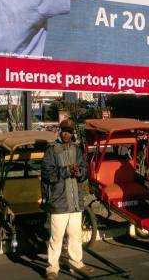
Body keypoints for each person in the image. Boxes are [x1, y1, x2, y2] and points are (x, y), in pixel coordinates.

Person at [41, 119, 93, 279]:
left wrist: (80, 173)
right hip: (59, 201)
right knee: (56, 237)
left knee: (75, 236)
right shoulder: (51, 150)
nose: (66, 134)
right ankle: (52, 268)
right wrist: (66, 171)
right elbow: (47, 174)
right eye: (64, 131)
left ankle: (76, 263)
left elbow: (85, 168)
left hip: (75, 201)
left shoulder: (77, 150)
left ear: (72, 134)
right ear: (60, 132)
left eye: (69, 132)